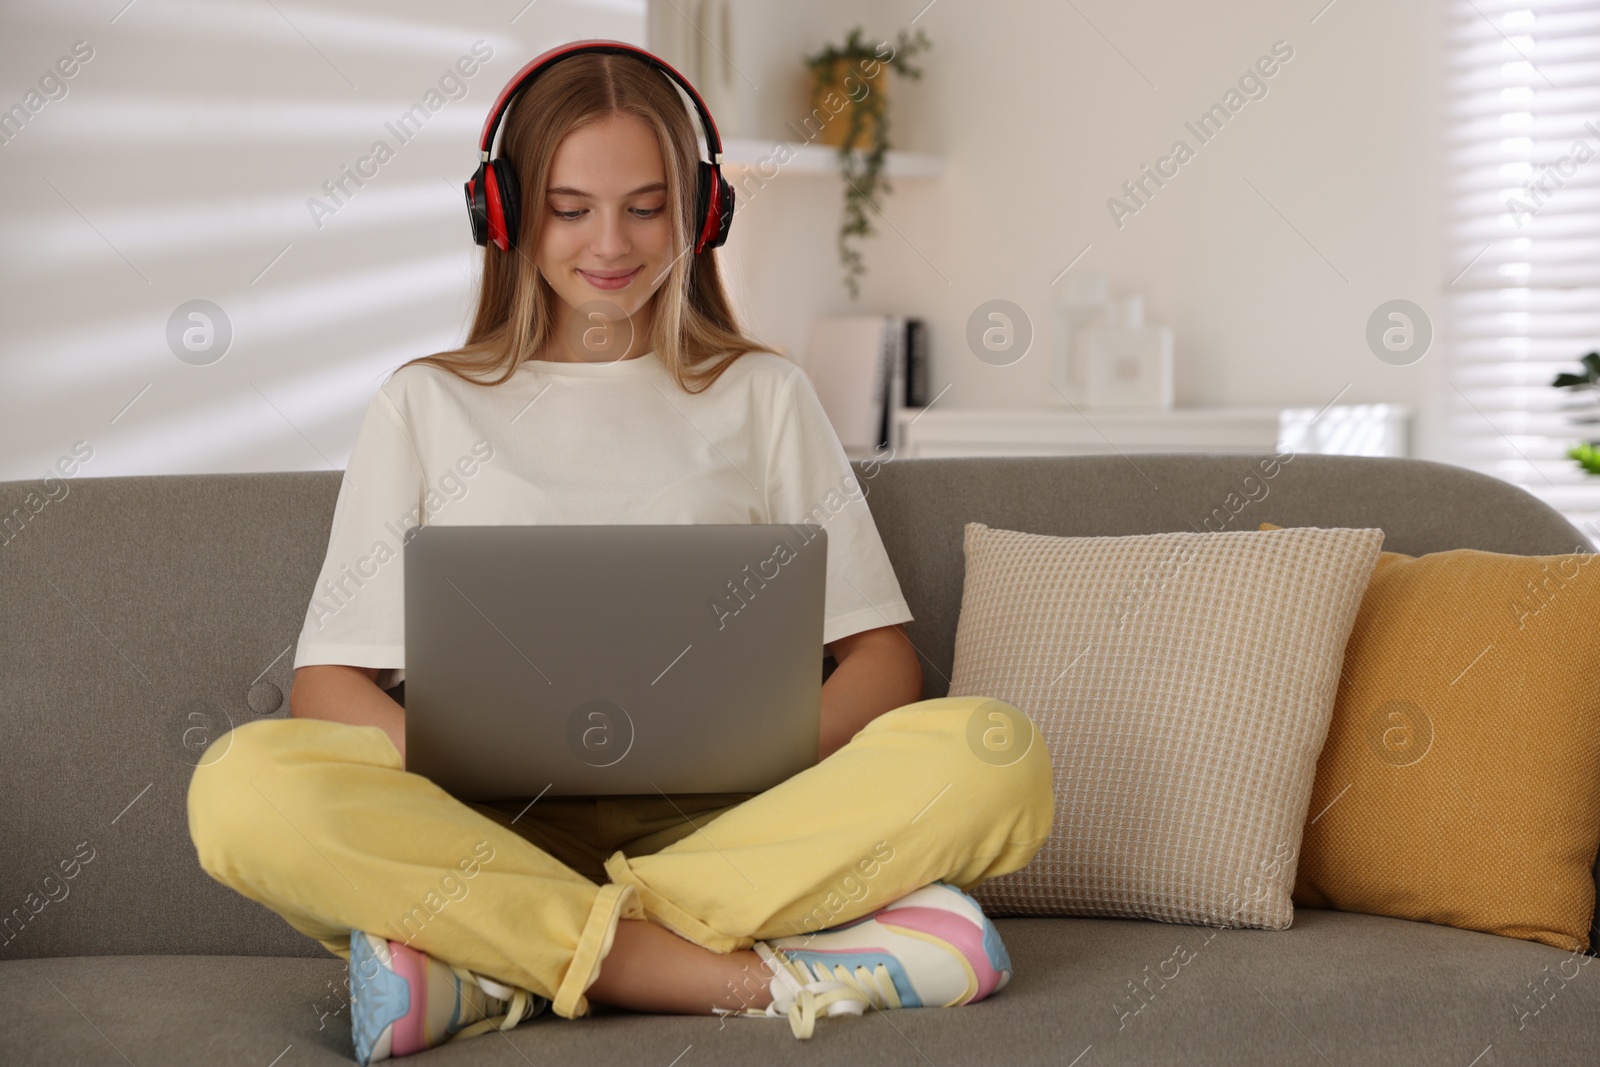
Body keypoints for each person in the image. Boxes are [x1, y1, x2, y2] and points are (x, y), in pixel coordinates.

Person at [186, 40, 1054, 1065]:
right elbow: (329, 684)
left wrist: (759, 749)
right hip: (489, 826)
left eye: (646, 206)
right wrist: (466, 761)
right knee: (242, 787)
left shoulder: (762, 395)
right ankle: (710, 967)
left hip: (731, 826)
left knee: (995, 754)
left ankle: (491, 956)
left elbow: (883, 661)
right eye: (569, 207)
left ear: (700, 213)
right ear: (502, 215)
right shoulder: (424, 403)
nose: (612, 242)